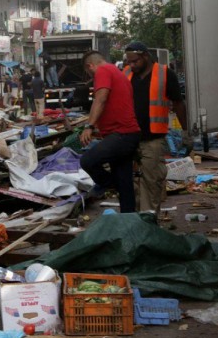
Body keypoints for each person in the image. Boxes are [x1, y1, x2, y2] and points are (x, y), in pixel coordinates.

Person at [124, 41, 190, 213]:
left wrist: (185, 131)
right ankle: (135, 222)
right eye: (129, 62)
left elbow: (178, 103)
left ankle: (148, 222)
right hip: (128, 138)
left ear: (145, 56)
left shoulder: (165, 74)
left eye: (135, 61)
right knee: (131, 183)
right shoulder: (126, 74)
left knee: (151, 182)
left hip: (152, 139)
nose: (131, 65)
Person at [79, 50, 141, 213]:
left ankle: (110, 184)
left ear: (90, 66)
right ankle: (129, 222)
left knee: (87, 161)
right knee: (125, 186)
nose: (91, 77)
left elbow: (101, 98)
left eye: (88, 73)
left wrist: (89, 126)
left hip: (122, 134)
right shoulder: (117, 72)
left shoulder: (103, 71)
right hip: (127, 134)